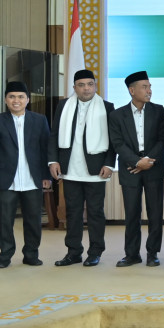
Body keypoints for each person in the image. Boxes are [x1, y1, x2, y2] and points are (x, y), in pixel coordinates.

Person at [50, 69, 116, 268]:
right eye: (81, 85)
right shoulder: (63, 106)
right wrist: (53, 161)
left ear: (95, 86)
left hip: (96, 169)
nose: (86, 88)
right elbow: (54, 134)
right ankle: (73, 252)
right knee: (73, 212)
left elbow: (114, 139)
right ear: (74, 87)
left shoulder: (107, 107)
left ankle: (95, 252)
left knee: (95, 212)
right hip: (70, 169)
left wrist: (109, 163)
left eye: (90, 84)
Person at [0, 81, 51, 269]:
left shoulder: (39, 120)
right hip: (6, 180)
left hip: (33, 179)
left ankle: (31, 254)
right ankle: (5, 255)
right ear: (6, 100)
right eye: (12, 96)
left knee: (33, 220)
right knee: (4, 221)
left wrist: (46, 175)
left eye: (21, 97)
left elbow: (45, 149)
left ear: (27, 100)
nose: (16, 100)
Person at [108, 71, 164, 267]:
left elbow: (163, 139)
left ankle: (153, 253)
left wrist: (147, 161)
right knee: (132, 213)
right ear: (132, 90)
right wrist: (136, 161)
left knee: (155, 213)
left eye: (150, 87)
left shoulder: (159, 111)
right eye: (144, 87)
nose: (149, 90)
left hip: (153, 167)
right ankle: (132, 254)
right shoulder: (117, 115)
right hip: (130, 168)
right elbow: (117, 143)